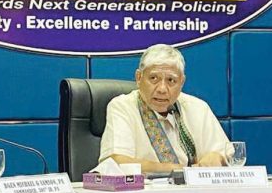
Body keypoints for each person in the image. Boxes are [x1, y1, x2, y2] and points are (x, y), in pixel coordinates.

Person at [99, 44, 232, 173]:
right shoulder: (123, 106)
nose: (162, 89)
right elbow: (116, 161)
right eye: (153, 78)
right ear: (139, 78)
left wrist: (216, 157)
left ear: (182, 82)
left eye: (171, 80)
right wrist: (180, 170)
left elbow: (226, 154)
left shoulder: (197, 107)